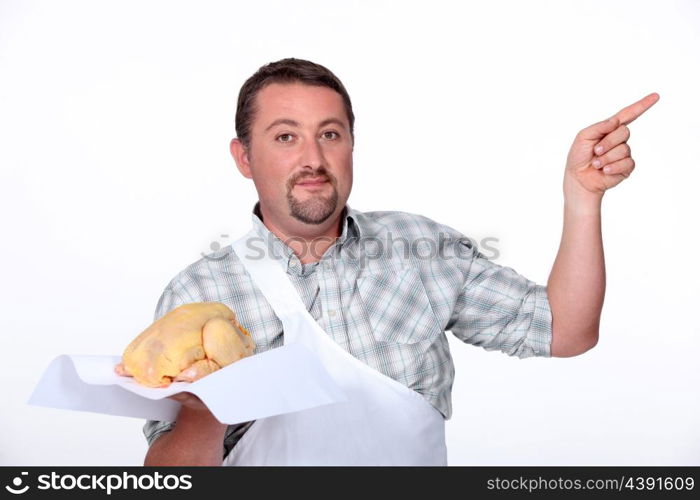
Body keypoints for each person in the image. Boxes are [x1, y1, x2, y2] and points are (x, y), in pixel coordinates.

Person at [142, 58, 659, 466]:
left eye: (330, 134)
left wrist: (582, 196)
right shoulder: (200, 296)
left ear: (350, 145)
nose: (313, 160)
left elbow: (567, 331)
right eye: (285, 137)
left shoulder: (421, 249)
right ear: (244, 157)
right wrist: (204, 413)